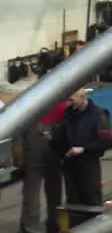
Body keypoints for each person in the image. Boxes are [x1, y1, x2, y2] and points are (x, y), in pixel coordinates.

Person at [50, 89, 111, 207]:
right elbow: (64, 135)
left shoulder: (99, 114)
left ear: (82, 97)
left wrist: (84, 149)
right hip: (70, 164)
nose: (69, 103)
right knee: (73, 200)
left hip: (88, 164)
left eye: (72, 100)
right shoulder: (69, 113)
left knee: (91, 197)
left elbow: (105, 140)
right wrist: (53, 138)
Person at [20, 98, 68, 233]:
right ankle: (53, 223)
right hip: (52, 142)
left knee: (32, 188)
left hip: (34, 142)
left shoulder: (32, 99)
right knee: (53, 188)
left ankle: (29, 225)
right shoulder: (60, 98)